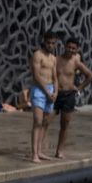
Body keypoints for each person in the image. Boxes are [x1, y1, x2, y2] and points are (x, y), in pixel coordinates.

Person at [53, 37, 92, 158]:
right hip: (56, 94)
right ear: (65, 46)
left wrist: (79, 88)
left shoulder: (75, 62)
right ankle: (38, 150)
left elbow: (90, 76)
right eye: (69, 47)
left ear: (77, 50)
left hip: (69, 95)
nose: (70, 50)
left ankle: (59, 150)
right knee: (45, 122)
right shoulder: (56, 60)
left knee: (64, 124)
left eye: (73, 48)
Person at [29, 31, 59, 163]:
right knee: (38, 121)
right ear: (44, 41)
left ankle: (40, 151)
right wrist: (47, 92)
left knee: (45, 122)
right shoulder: (37, 55)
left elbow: (55, 77)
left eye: (53, 43)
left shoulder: (53, 58)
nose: (51, 45)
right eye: (49, 43)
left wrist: (56, 92)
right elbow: (36, 76)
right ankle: (34, 153)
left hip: (51, 90)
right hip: (40, 91)